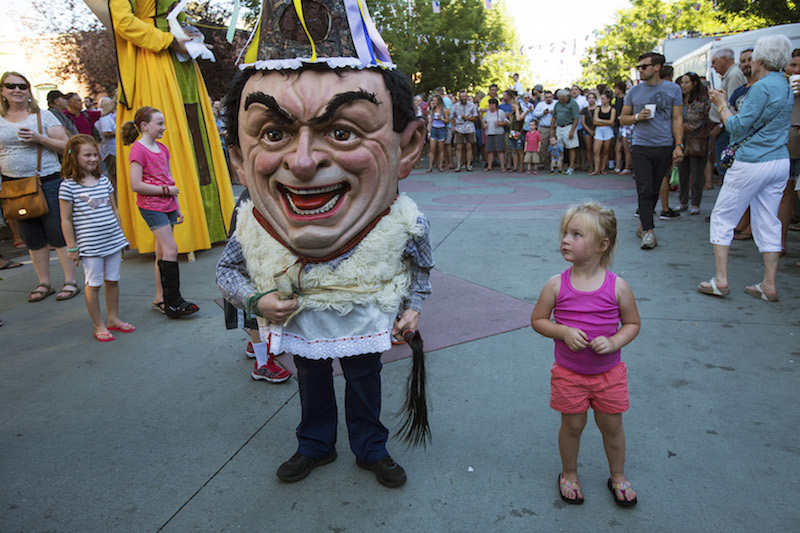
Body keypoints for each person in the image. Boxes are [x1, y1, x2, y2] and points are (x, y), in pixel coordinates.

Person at [216, 0, 433, 488]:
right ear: (238, 159)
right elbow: (227, 272)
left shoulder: (402, 219)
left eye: (342, 131)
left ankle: (370, 447)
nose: (306, 161)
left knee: (364, 381)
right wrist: (255, 300)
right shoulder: (250, 222)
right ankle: (314, 444)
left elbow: (420, 266)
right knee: (311, 384)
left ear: (408, 147)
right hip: (301, 317)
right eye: (274, 133)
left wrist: (415, 307)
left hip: (365, 315)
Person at [531, 201, 641, 507]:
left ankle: (617, 476)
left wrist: (615, 341)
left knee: (612, 427)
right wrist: (563, 332)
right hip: (569, 374)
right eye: (565, 232)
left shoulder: (618, 287)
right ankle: (569, 473)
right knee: (573, 426)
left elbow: (632, 324)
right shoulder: (556, 285)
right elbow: (538, 320)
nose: (566, 239)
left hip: (609, 375)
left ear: (602, 245)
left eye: (577, 234)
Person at [108, 0, 235, 256]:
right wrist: (167, 41)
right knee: (171, 139)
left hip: (182, 62)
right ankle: (179, 232)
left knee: (197, 138)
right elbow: (122, 21)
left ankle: (211, 226)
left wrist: (190, 37)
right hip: (153, 61)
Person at [698, 35, 794, 302]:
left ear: (759, 60)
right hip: (779, 160)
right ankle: (769, 284)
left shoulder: (761, 88)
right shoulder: (784, 86)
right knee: (768, 220)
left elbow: (737, 127)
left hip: (753, 161)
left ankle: (720, 279)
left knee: (722, 217)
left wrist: (721, 104)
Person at [0, 71, 77, 302]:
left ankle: (70, 281)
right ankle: (44, 283)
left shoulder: (43, 117)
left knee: (58, 233)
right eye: (11, 86)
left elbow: (68, 146)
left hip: (47, 182)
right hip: (14, 187)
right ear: (2, 91)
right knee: (31, 237)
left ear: (29, 91)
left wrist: (39, 138)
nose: (17, 90)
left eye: (22, 86)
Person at [121, 106, 199, 318]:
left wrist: (177, 205)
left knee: (162, 253)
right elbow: (136, 184)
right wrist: (166, 191)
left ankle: (160, 298)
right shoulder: (138, 150)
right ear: (144, 126)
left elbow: (168, 178)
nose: (164, 128)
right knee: (171, 249)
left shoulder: (163, 149)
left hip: (168, 206)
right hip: (152, 206)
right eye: (159, 123)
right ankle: (174, 301)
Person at [58, 135, 132, 342]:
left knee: (113, 280)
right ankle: (98, 323)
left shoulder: (104, 181)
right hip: (90, 246)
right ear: (74, 157)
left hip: (112, 241)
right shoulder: (68, 186)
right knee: (94, 283)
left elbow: (114, 209)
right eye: (87, 155)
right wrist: (71, 247)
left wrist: (121, 235)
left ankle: (113, 318)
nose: (93, 159)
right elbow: (65, 219)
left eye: (95, 155)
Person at [619, 52, 684, 249]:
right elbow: (623, 118)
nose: (641, 70)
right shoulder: (634, 91)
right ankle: (648, 230)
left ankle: (643, 224)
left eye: (644, 66)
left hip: (664, 145)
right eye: (639, 67)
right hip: (640, 145)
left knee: (655, 188)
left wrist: (678, 145)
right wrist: (638, 116)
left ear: (657, 67)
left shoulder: (673, 89)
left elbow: (677, 118)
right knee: (644, 187)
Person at [708, 48, 747, 176]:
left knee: (726, 168)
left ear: (724, 59)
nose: (712, 66)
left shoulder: (734, 75)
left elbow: (732, 106)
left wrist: (720, 126)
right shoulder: (730, 75)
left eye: (714, 62)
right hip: (725, 127)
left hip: (727, 129)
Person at [676, 72, 710, 215]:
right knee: (682, 172)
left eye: (686, 82)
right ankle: (682, 201)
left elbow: (707, 119)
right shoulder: (679, 100)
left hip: (697, 138)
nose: (683, 86)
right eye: (682, 83)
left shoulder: (703, 100)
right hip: (681, 138)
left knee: (696, 173)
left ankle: (695, 203)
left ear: (694, 83)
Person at [551, 89, 580, 174]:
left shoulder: (573, 103)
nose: (561, 101)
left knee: (571, 147)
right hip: (559, 127)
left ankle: (571, 167)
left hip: (569, 126)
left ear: (567, 97)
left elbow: (576, 118)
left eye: (563, 100)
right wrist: (552, 129)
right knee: (559, 147)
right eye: (560, 99)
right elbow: (554, 117)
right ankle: (561, 165)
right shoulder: (557, 104)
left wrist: (572, 131)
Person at [451, 90, 478, 172]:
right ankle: (459, 165)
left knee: (469, 146)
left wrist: (467, 118)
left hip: (469, 128)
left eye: (465, 96)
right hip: (459, 128)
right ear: (459, 97)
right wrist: (453, 126)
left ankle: (468, 164)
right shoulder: (455, 106)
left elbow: (476, 118)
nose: (463, 98)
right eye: (462, 96)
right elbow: (452, 117)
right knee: (458, 146)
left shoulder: (471, 105)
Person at [592, 90, 617, 176]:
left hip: (608, 131)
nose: (602, 100)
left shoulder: (612, 109)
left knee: (606, 151)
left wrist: (600, 121)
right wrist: (607, 122)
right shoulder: (598, 109)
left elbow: (612, 122)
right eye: (601, 99)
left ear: (608, 99)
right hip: (599, 130)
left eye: (603, 99)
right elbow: (595, 121)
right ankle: (596, 169)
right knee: (596, 151)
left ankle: (602, 169)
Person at [96, 97, 118, 191]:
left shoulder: (107, 116)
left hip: (111, 149)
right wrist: (118, 132)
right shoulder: (105, 117)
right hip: (110, 150)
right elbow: (106, 132)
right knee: (114, 174)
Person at [482, 98, 508, 171]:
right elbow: (484, 120)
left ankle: (502, 166)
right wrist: (484, 124)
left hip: (498, 133)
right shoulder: (487, 113)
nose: (490, 106)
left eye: (492, 104)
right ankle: (489, 166)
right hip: (489, 133)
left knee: (500, 150)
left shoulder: (500, 112)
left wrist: (500, 123)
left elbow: (506, 121)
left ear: (495, 105)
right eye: (489, 104)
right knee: (490, 150)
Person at [426, 95, 449, 173]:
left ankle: (440, 165)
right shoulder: (432, 110)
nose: (433, 102)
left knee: (441, 149)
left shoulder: (444, 110)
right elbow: (430, 121)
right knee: (432, 148)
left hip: (441, 129)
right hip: (433, 129)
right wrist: (429, 132)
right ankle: (430, 166)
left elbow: (447, 121)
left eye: (435, 100)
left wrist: (441, 118)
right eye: (433, 100)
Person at [534, 90, 557, 167]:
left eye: (550, 97)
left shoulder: (556, 103)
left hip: (555, 127)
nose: (548, 99)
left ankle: (555, 162)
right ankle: (541, 162)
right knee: (543, 146)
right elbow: (535, 113)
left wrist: (553, 112)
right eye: (546, 97)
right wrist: (543, 113)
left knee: (555, 145)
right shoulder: (541, 104)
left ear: (552, 97)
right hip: (544, 127)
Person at [580, 91, 597, 173]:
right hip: (587, 130)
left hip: (597, 129)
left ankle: (597, 166)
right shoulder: (584, 110)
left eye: (593, 98)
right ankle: (590, 166)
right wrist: (589, 131)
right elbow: (583, 122)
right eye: (589, 98)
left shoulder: (598, 108)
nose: (591, 100)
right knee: (588, 148)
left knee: (596, 149)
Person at [508, 98, 525, 172]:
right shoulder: (512, 114)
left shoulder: (522, 113)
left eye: (514, 107)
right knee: (514, 151)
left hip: (519, 133)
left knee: (520, 151)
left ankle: (521, 166)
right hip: (512, 133)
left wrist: (517, 109)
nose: (513, 109)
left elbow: (518, 119)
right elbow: (511, 123)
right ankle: (515, 166)